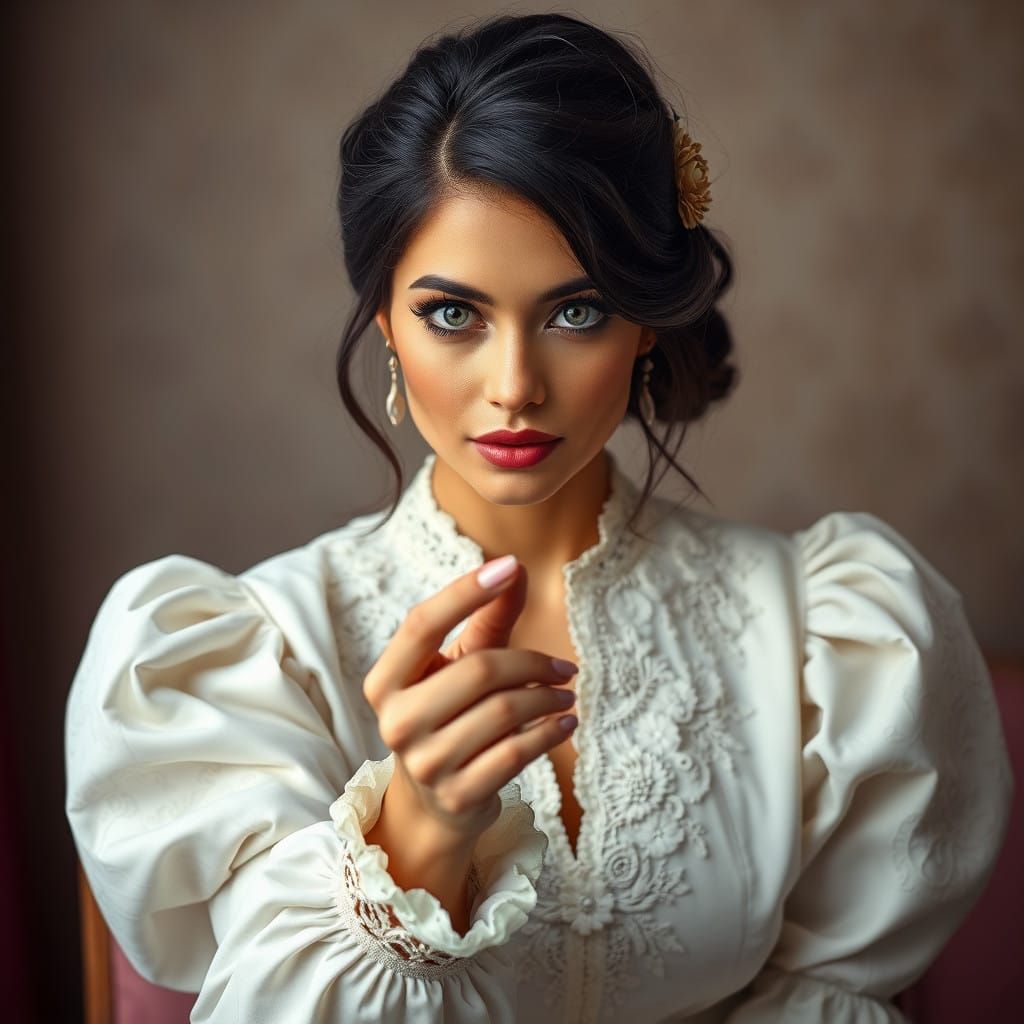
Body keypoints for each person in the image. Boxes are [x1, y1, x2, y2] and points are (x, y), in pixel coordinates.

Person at [64, 11, 1014, 1023]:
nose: (514, 386)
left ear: (645, 320)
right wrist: (419, 834)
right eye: (451, 313)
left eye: (577, 310)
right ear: (383, 315)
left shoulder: (832, 644)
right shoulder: (257, 660)